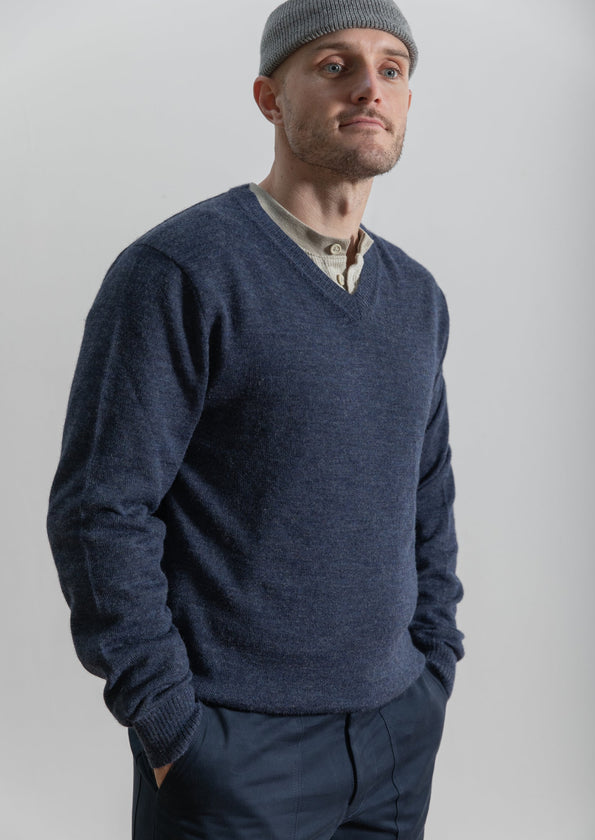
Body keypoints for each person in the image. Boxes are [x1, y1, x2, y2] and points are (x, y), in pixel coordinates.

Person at [47, 0, 464, 837]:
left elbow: (428, 497)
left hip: (392, 736)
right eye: (335, 65)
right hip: (234, 746)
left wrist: (432, 670)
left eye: (392, 68)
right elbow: (101, 512)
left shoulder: (416, 297)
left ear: (410, 99)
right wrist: (171, 727)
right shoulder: (179, 271)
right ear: (270, 98)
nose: (369, 88)